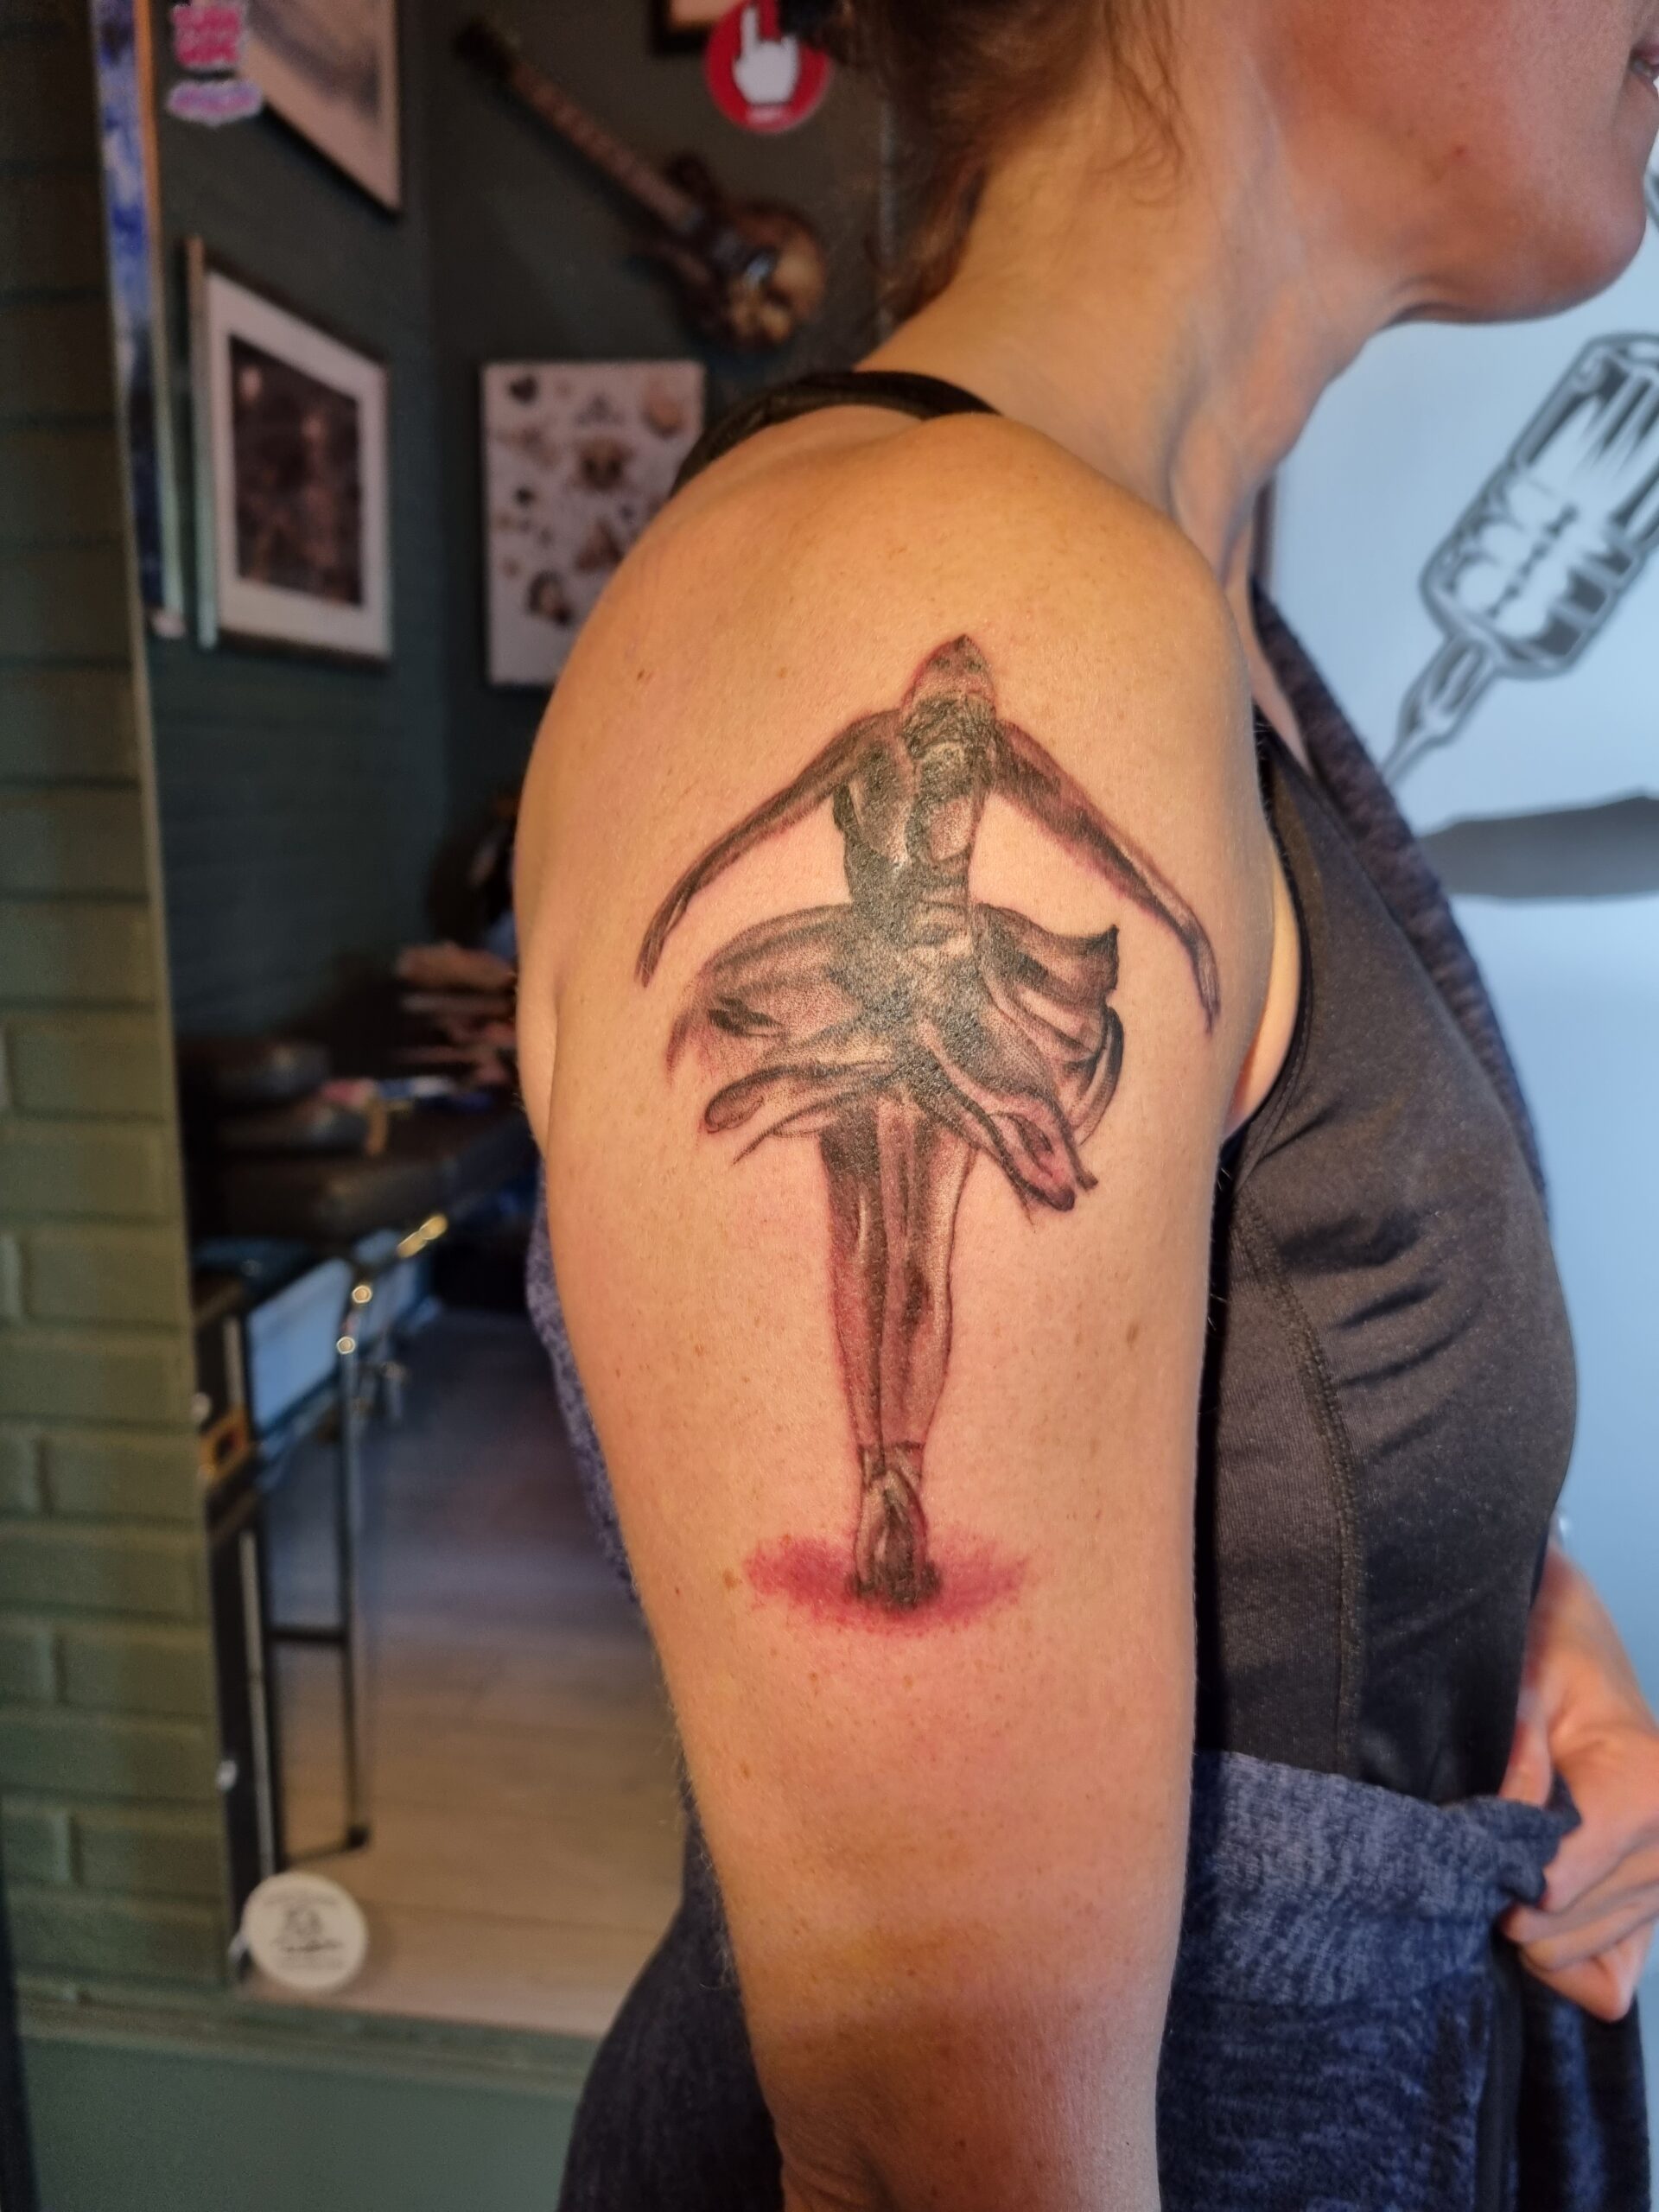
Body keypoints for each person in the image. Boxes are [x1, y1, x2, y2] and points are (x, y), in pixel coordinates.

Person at [512, 2, 1659, 2204]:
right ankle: (888, 1492)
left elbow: (1262, 1373)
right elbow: (928, 2157)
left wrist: (1498, 1616)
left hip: (949, 1007)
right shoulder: (946, 582)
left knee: (918, 1258)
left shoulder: (1181, 603)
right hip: (897, 1013)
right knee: (892, 1268)